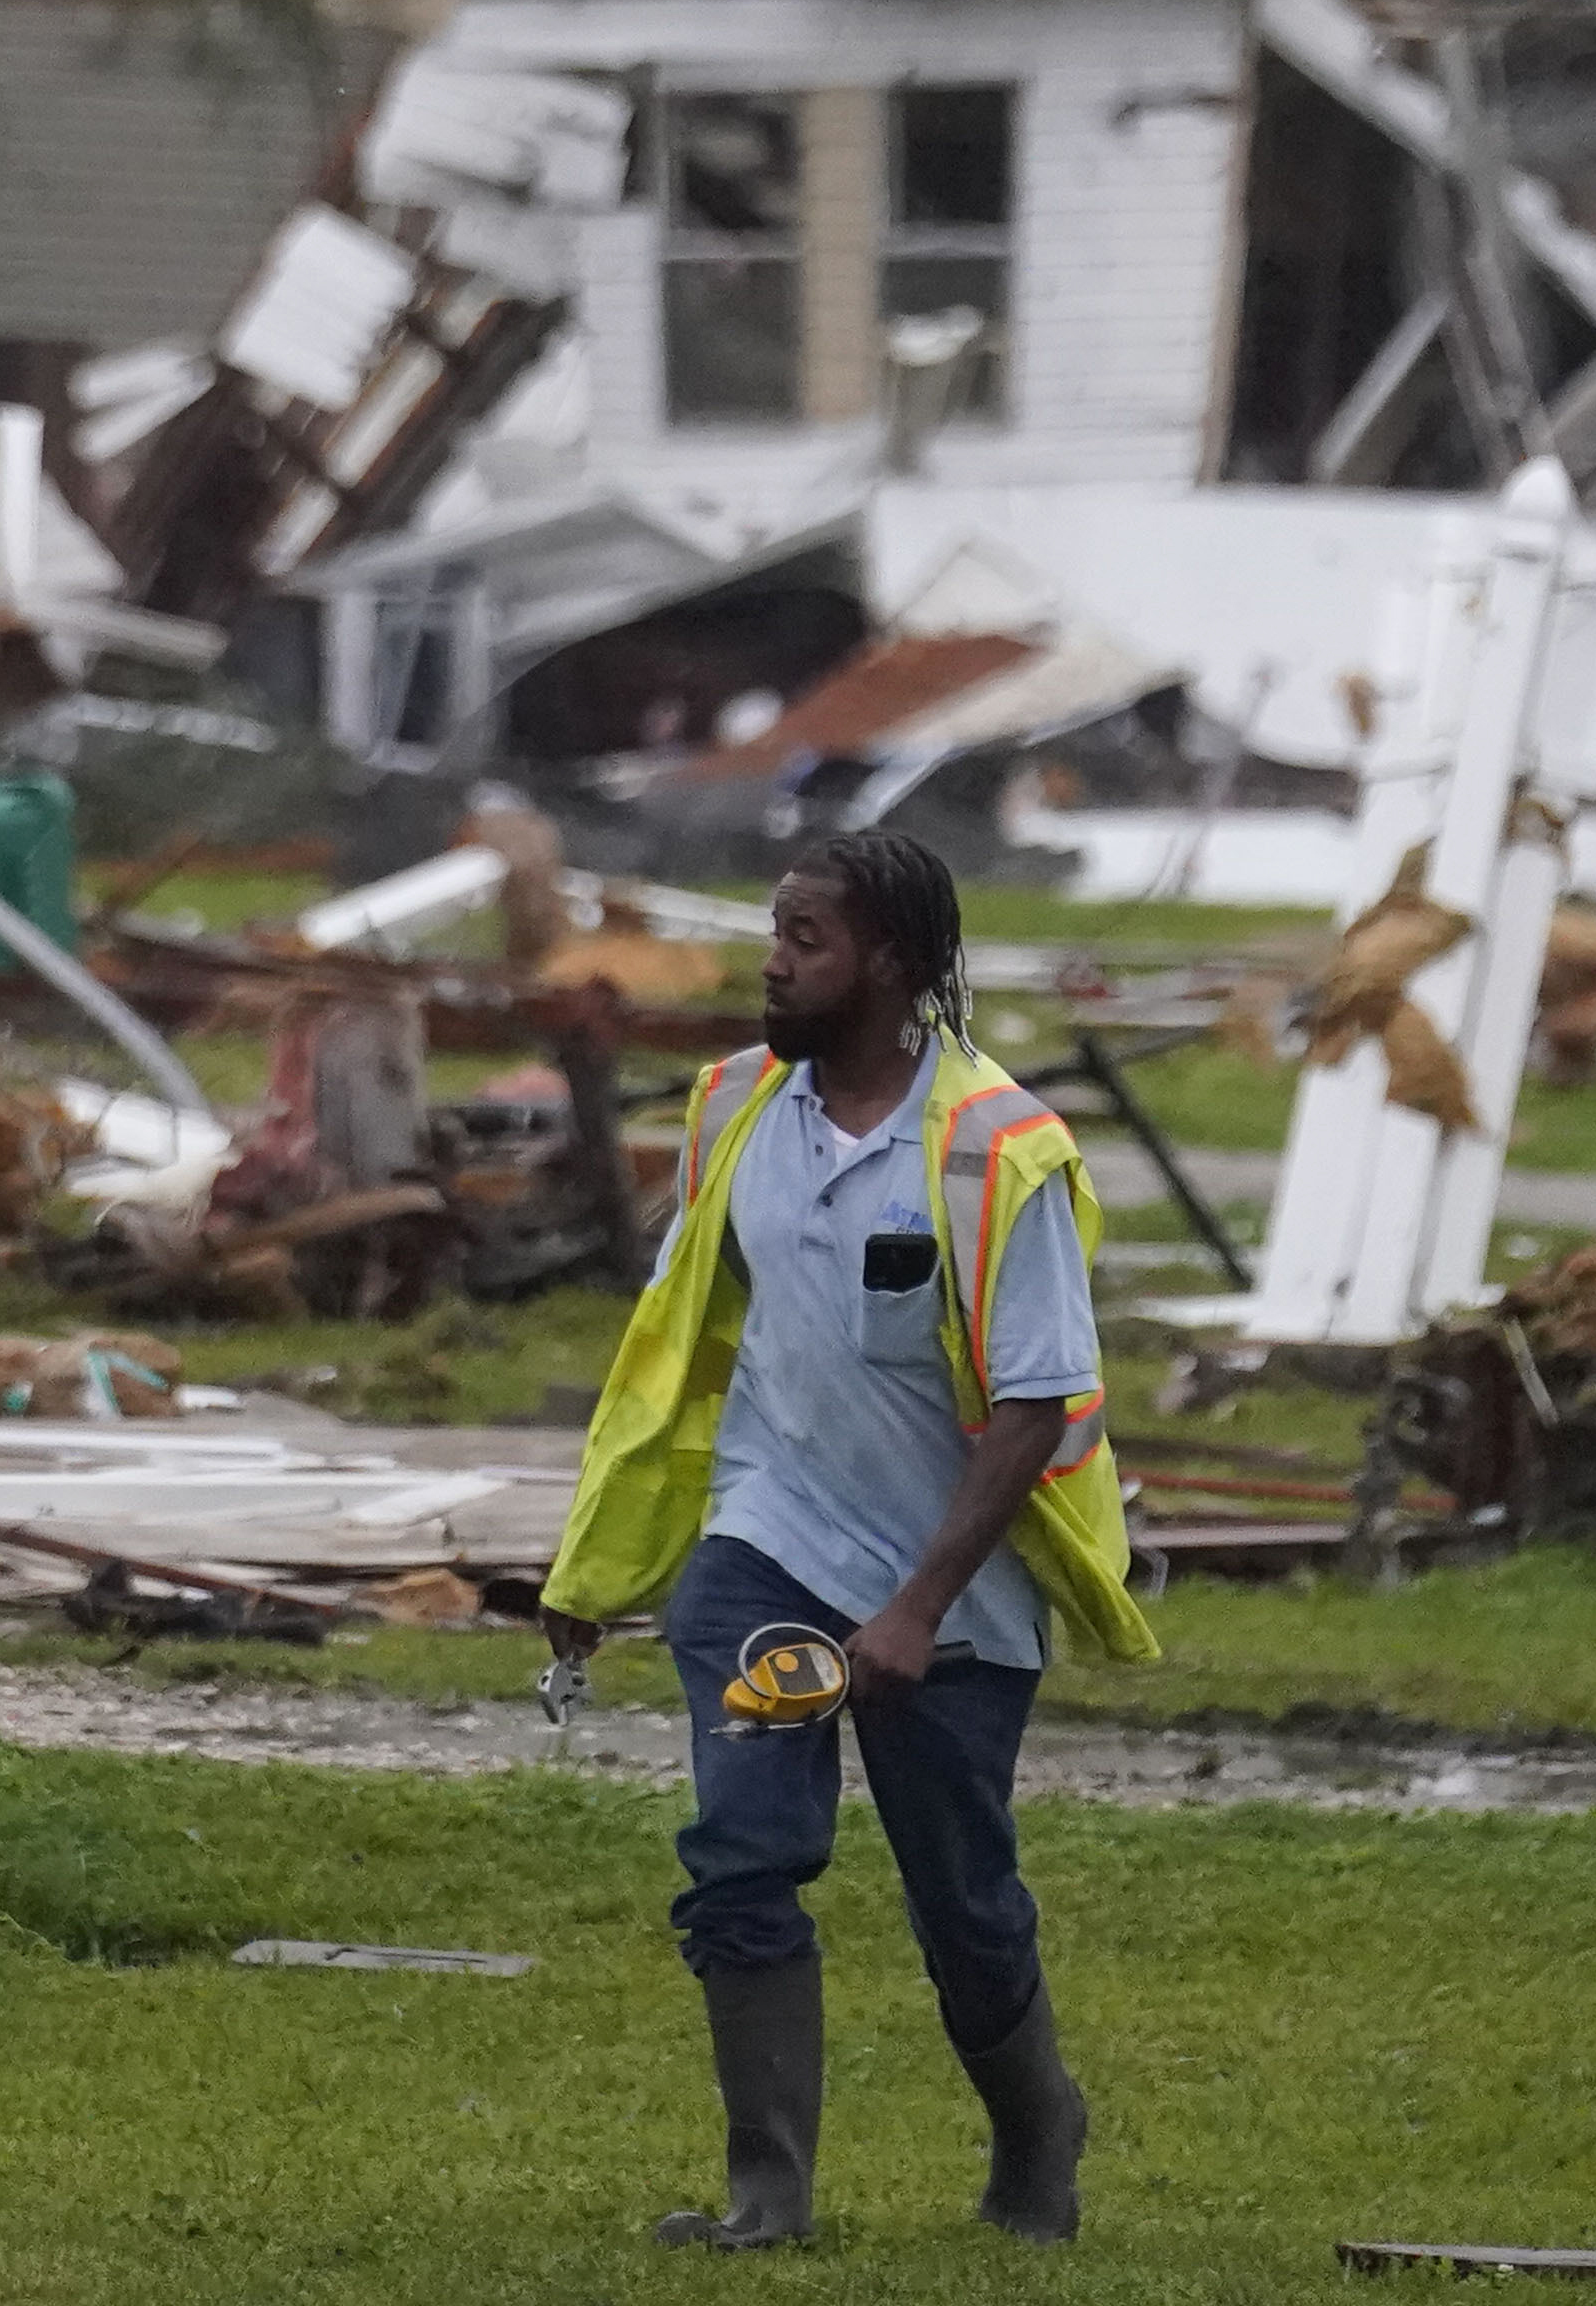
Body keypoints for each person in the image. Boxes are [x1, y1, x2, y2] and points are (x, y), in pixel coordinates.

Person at [539, 827, 1155, 2251]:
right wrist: (600, 1567)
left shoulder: (1003, 1152)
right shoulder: (733, 1108)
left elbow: (1035, 1404)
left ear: (888, 962)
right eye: (775, 928)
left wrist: (919, 1607)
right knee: (741, 1857)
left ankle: (1037, 2124)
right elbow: (674, 1351)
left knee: (964, 1901)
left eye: (805, 937)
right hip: (768, 1540)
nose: (773, 960)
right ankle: (768, 2197)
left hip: (960, 1582)